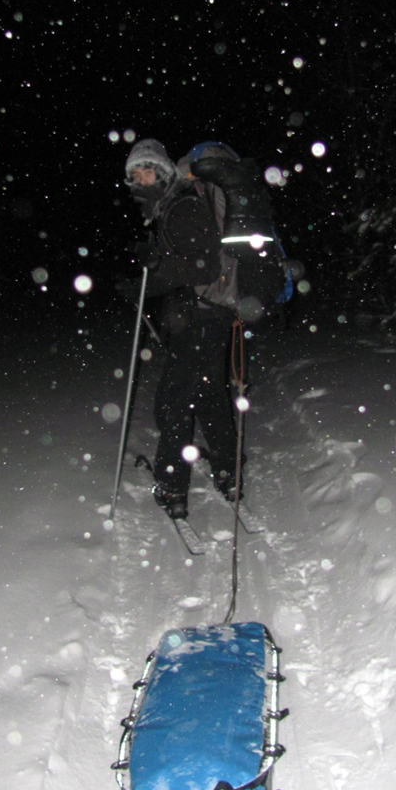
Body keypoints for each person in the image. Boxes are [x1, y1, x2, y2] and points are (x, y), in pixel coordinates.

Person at [120, 138, 243, 520]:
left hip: (203, 316)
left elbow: (203, 266)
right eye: (134, 176)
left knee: (173, 403)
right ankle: (229, 473)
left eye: (147, 171)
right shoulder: (171, 208)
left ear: (163, 172)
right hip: (206, 314)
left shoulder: (182, 206)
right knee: (207, 396)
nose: (141, 181)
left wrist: (152, 277)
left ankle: (173, 488)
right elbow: (187, 260)